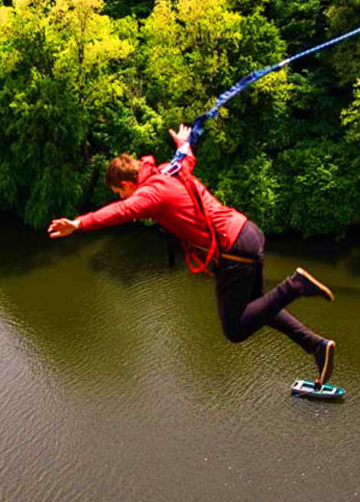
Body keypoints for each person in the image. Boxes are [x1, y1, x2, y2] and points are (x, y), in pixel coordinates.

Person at [47, 124, 338, 387]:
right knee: (259, 308)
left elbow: (122, 211)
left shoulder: (149, 193)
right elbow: (186, 157)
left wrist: (78, 223)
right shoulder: (168, 170)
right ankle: (316, 346)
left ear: (126, 184)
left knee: (235, 329)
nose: (123, 199)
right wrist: (184, 143)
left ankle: (295, 285)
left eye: (120, 193)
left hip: (232, 251)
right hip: (247, 232)